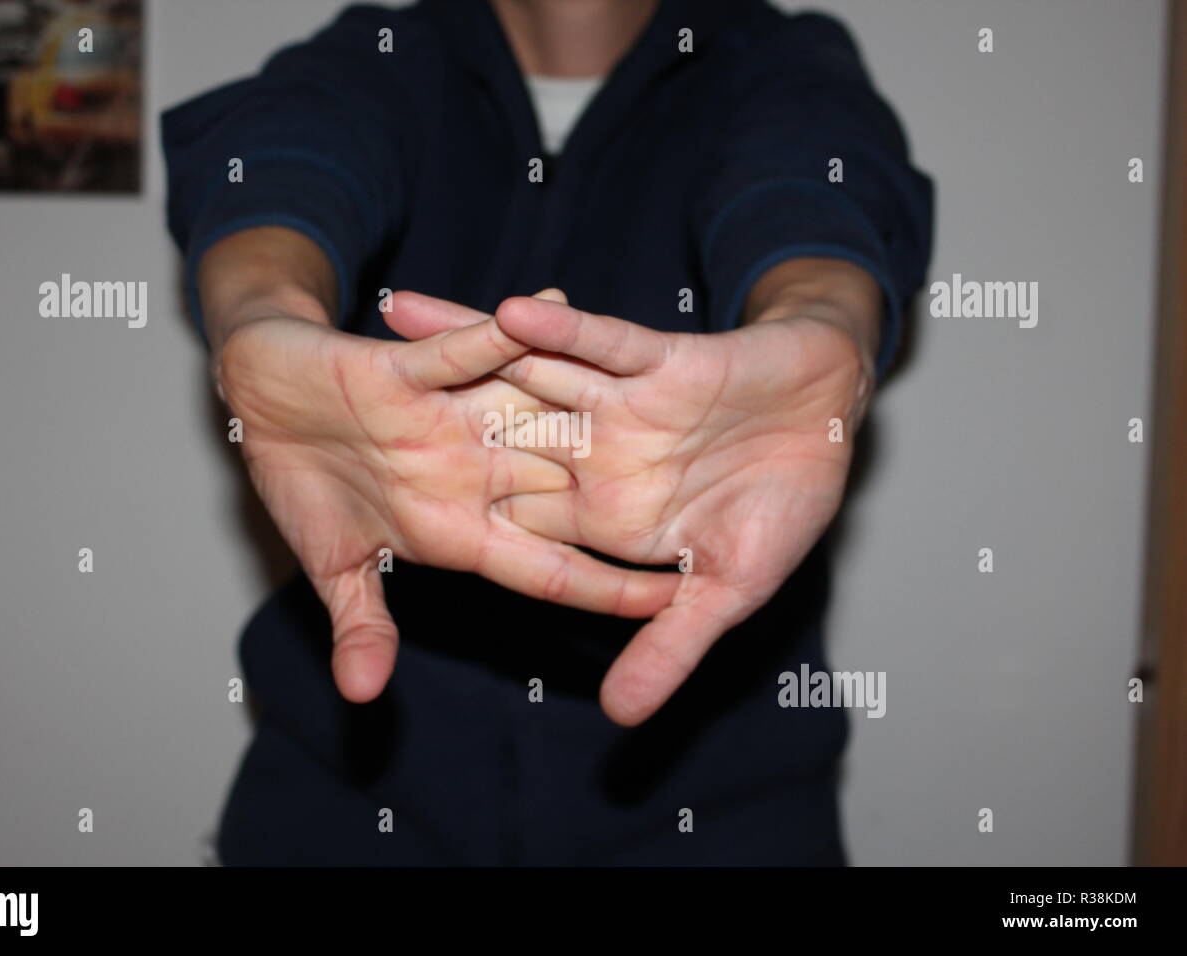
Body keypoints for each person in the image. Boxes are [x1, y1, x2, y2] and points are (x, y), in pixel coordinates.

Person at [162, 0, 933, 865]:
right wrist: (259, 317)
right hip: (347, 803)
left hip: (720, 816)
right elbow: (279, 159)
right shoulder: (384, 54)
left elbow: (810, 187)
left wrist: (823, 320)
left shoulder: (774, 57)